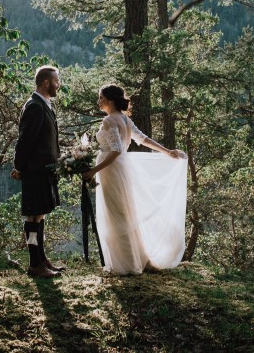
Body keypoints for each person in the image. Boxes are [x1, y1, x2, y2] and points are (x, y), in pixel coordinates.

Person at [82, 84, 188, 275]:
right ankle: (136, 258)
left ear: (110, 100)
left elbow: (115, 150)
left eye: (101, 98)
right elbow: (144, 139)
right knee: (125, 213)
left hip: (111, 170)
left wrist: (93, 170)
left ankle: (126, 264)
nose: (98, 101)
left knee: (117, 215)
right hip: (121, 169)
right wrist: (167, 151)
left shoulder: (109, 121)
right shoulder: (124, 119)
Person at [11, 66, 65, 279]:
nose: (58, 85)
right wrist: (20, 167)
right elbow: (24, 141)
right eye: (56, 81)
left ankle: (41, 259)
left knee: (39, 216)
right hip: (35, 171)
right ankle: (34, 263)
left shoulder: (45, 105)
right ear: (46, 83)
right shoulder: (34, 106)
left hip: (45, 171)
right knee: (32, 218)